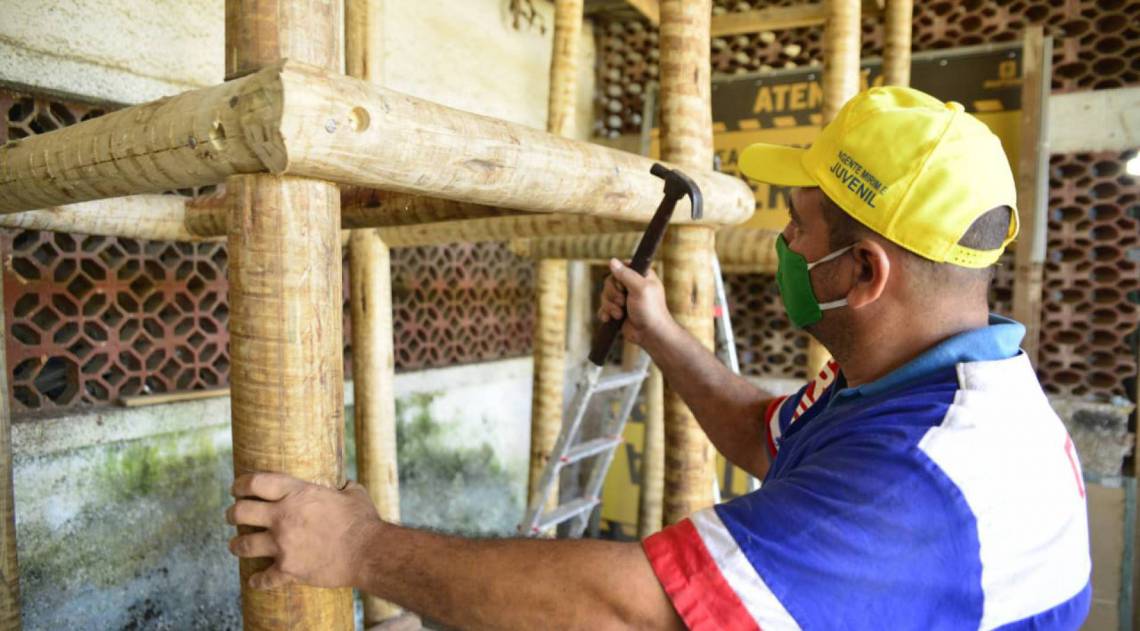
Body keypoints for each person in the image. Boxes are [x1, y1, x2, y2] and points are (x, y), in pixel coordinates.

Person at [225, 86, 1091, 629]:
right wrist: (662, 332)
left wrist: (362, 548)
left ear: (864, 272)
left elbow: (632, 609)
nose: (785, 242)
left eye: (800, 224)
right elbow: (766, 434)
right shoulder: (929, 387)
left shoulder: (920, 480)